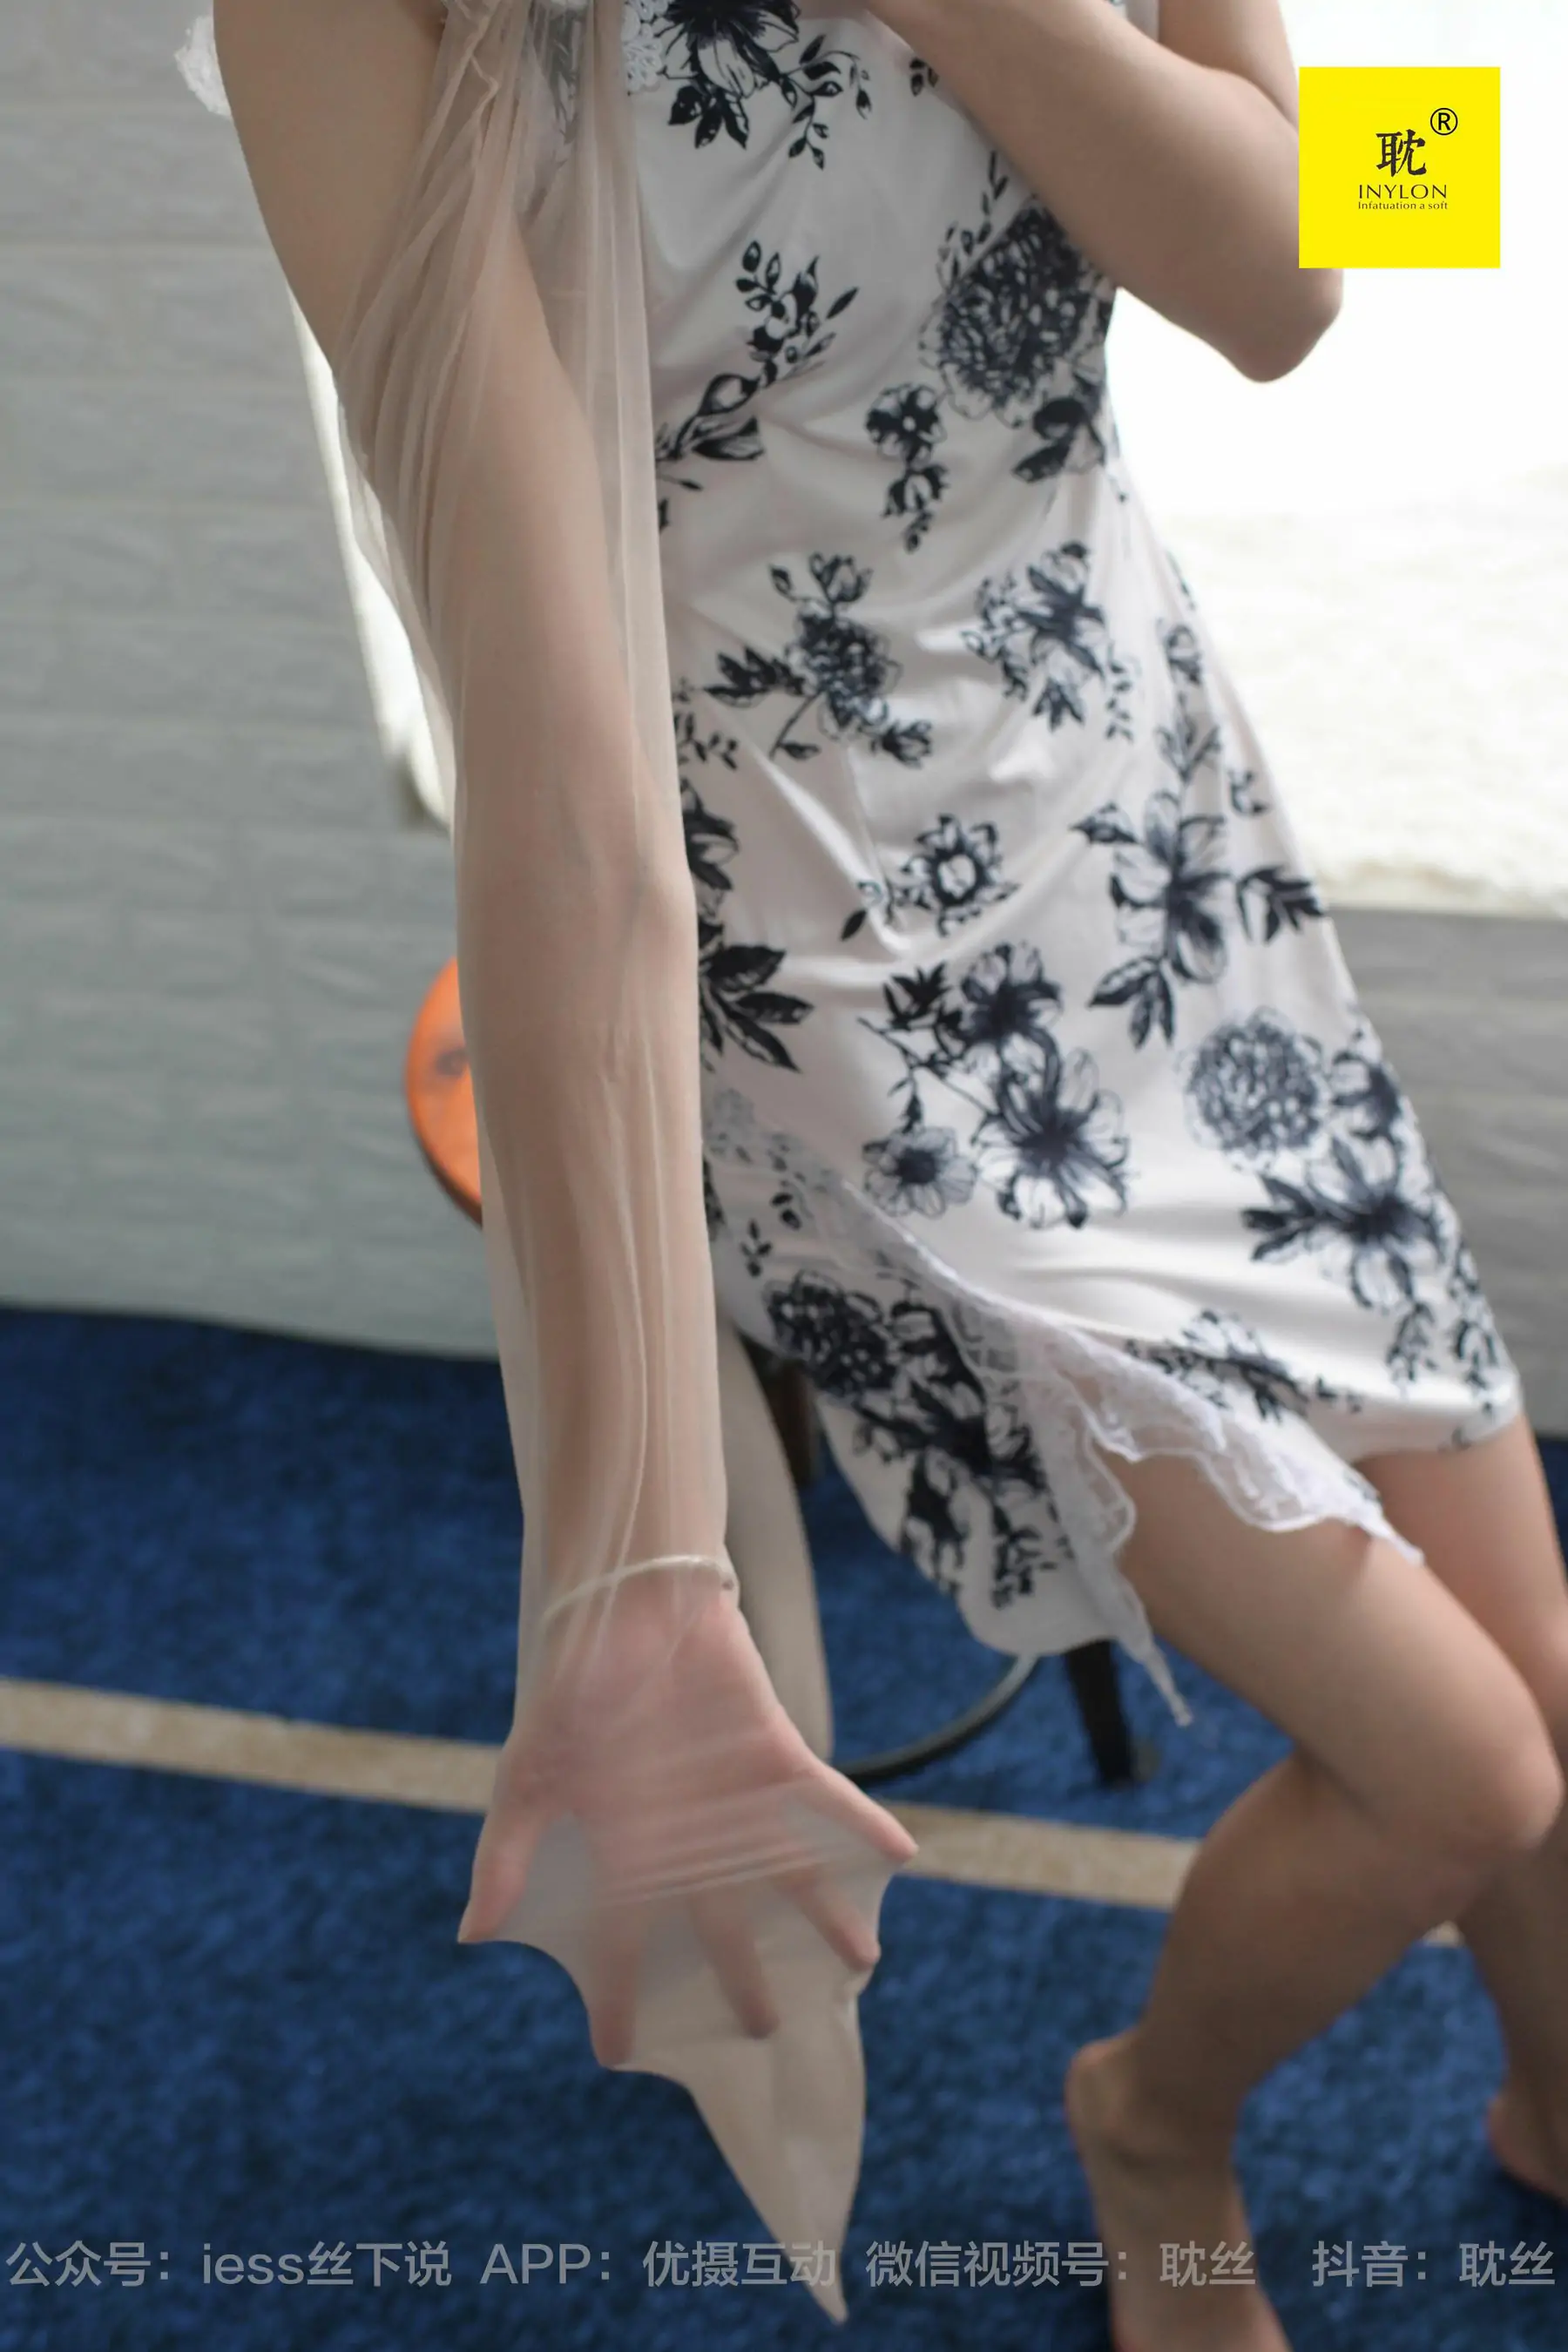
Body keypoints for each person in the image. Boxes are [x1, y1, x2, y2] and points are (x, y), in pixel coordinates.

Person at [186, 2, 1568, 2343]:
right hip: (839, 1023)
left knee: (1540, 1674)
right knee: (1466, 1772)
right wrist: (628, 1552)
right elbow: (563, 785)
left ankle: (1551, 2099)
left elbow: (1299, 277)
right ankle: (1155, 2125)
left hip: (1149, 837)